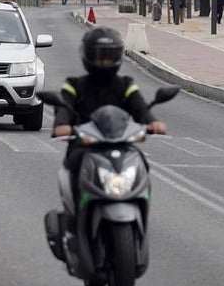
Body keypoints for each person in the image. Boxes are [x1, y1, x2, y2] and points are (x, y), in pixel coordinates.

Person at [52, 27, 168, 222]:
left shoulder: (125, 84)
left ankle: (140, 206)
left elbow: (139, 107)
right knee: (75, 160)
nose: (104, 62)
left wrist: (152, 122)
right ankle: (76, 212)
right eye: (99, 57)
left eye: (109, 56)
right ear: (88, 55)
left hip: (119, 143)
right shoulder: (74, 85)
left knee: (140, 161)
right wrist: (62, 124)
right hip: (85, 144)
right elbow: (64, 108)